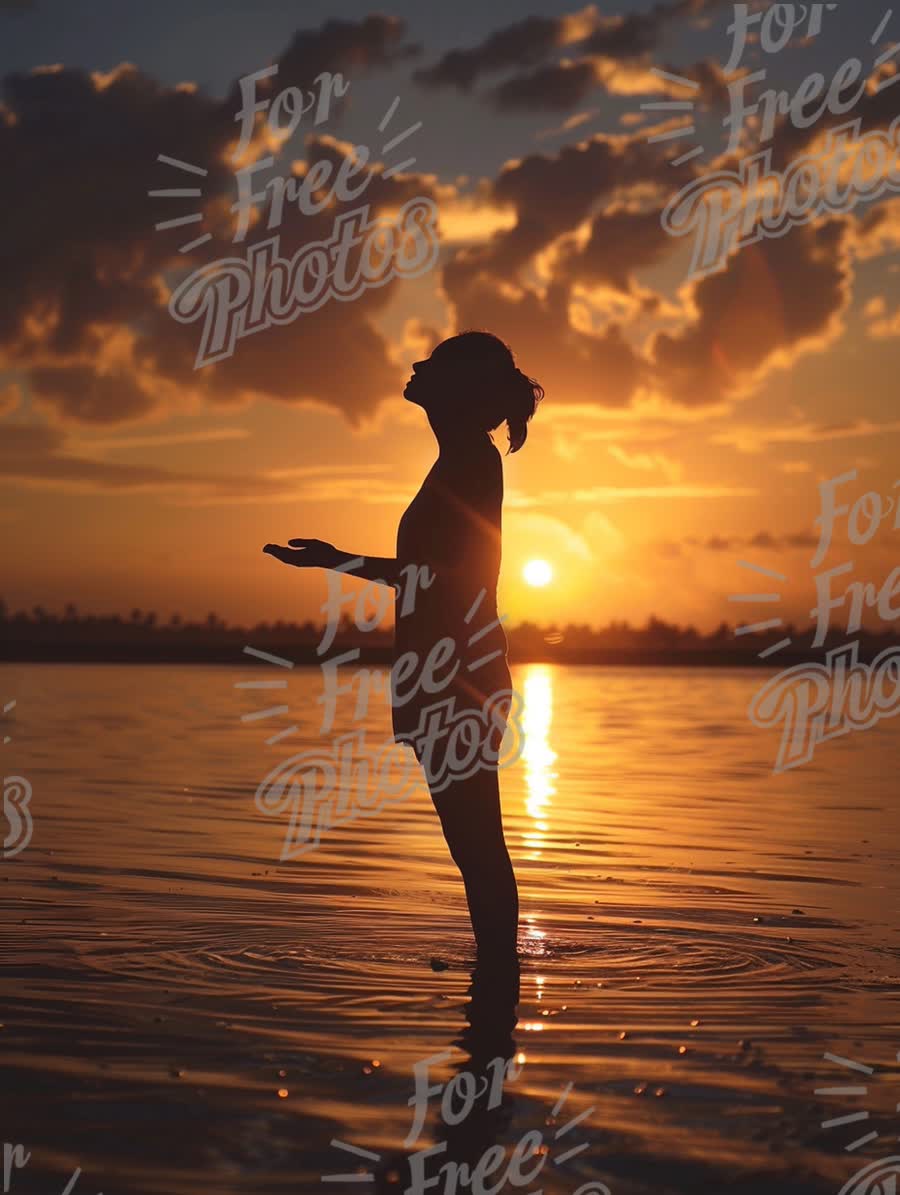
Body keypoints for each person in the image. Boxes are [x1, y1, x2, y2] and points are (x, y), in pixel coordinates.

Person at [263, 330, 544, 965]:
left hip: (459, 675)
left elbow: (457, 576)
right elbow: (428, 570)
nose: (416, 364)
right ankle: (493, 993)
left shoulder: (472, 461)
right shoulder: (457, 461)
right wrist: (339, 561)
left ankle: (499, 975)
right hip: (439, 672)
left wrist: (343, 563)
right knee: (471, 846)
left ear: (459, 389)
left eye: (435, 364)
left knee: (477, 845)